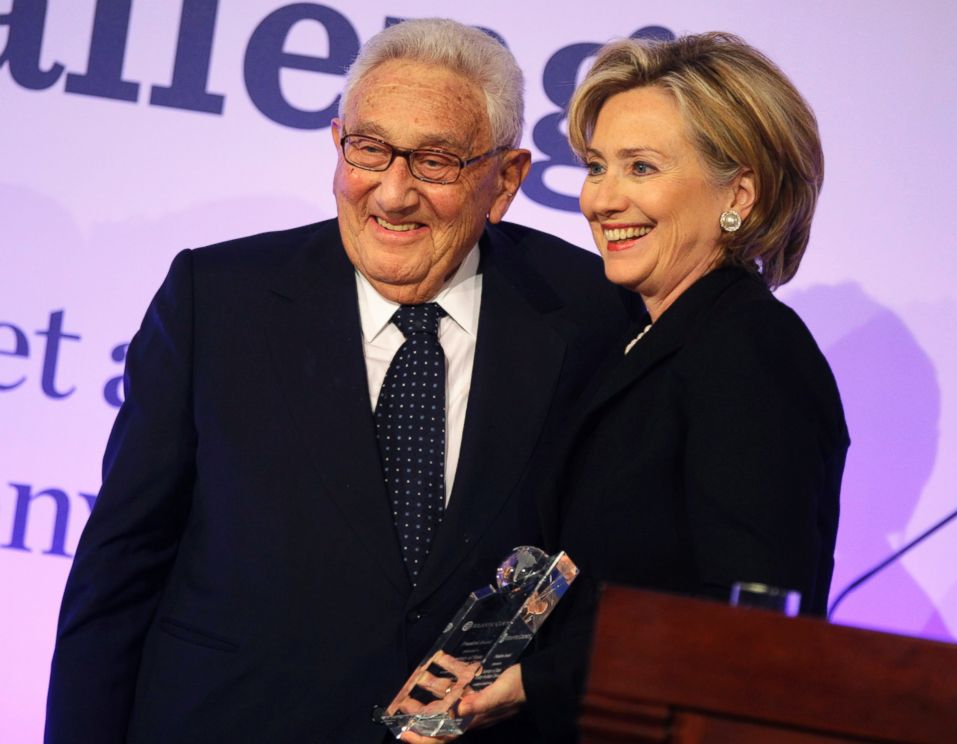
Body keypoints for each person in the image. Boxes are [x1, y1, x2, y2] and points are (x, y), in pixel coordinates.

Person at [44, 19, 639, 744]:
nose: (392, 194)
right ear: (337, 144)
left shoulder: (592, 314)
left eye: (437, 161)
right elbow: (120, 569)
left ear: (506, 179)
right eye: (369, 150)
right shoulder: (218, 298)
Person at [455, 32, 849, 742]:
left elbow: (745, 623)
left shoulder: (753, 351)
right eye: (597, 166)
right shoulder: (647, 338)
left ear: (741, 191)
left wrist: (537, 680)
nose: (603, 199)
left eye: (641, 167)